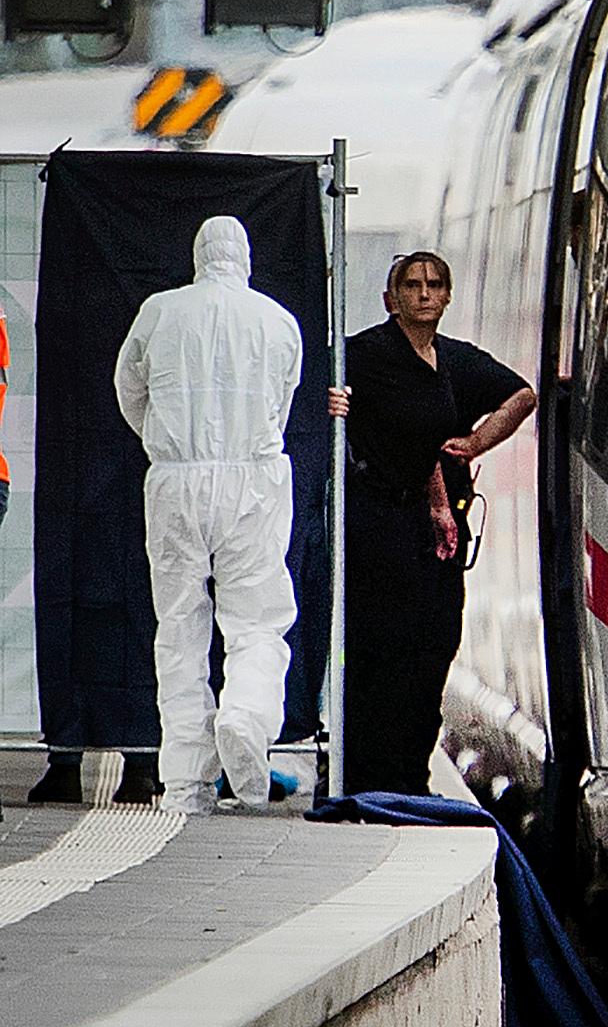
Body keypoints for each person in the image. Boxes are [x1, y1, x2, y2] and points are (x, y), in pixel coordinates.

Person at [114, 217, 302, 815]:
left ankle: (186, 784)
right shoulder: (277, 321)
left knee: (178, 628)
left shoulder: (159, 311)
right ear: (244, 257)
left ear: (198, 256)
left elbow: (129, 389)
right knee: (256, 620)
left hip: (175, 480)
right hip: (252, 479)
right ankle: (245, 716)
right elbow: (282, 403)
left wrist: (165, 446)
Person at [328, 251, 534, 795]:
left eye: (435, 284)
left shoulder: (456, 362)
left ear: (448, 296)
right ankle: (366, 774)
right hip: (379, 523)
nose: (424, 294)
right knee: (379, 648)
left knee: (435, 642)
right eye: (412, 285)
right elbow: (320, 397)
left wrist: (474, 443)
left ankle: (410, 775)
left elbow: (522, 395)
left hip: (437, 537)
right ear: (390, 300)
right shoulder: (364, 355)